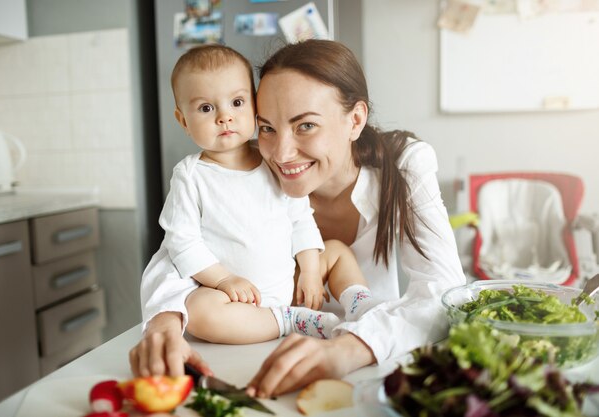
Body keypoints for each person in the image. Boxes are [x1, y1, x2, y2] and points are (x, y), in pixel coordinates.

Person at [130, 39, 465, 396]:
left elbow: (444, 292)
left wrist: (349, 348)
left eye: (305, 125)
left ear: (355, 120)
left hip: (374, 358)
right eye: (268, 128)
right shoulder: (243, 170)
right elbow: (176, 250)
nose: (282, 153)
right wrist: (163, 325)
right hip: (260, 350)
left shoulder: (405, 164)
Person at [140, 43, 380, 352]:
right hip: (240, 298)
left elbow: (299, 217)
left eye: (237, 102)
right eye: (205, 108)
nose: (224, 117)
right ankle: (288, 320)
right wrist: (224, 280)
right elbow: (182, 243)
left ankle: (360, 305)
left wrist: (308, 269)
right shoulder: (190, 176)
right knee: (199, 311)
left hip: (291, 282)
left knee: (334, 251)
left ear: (254, 107)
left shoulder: (271, 160)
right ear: (183, 120)